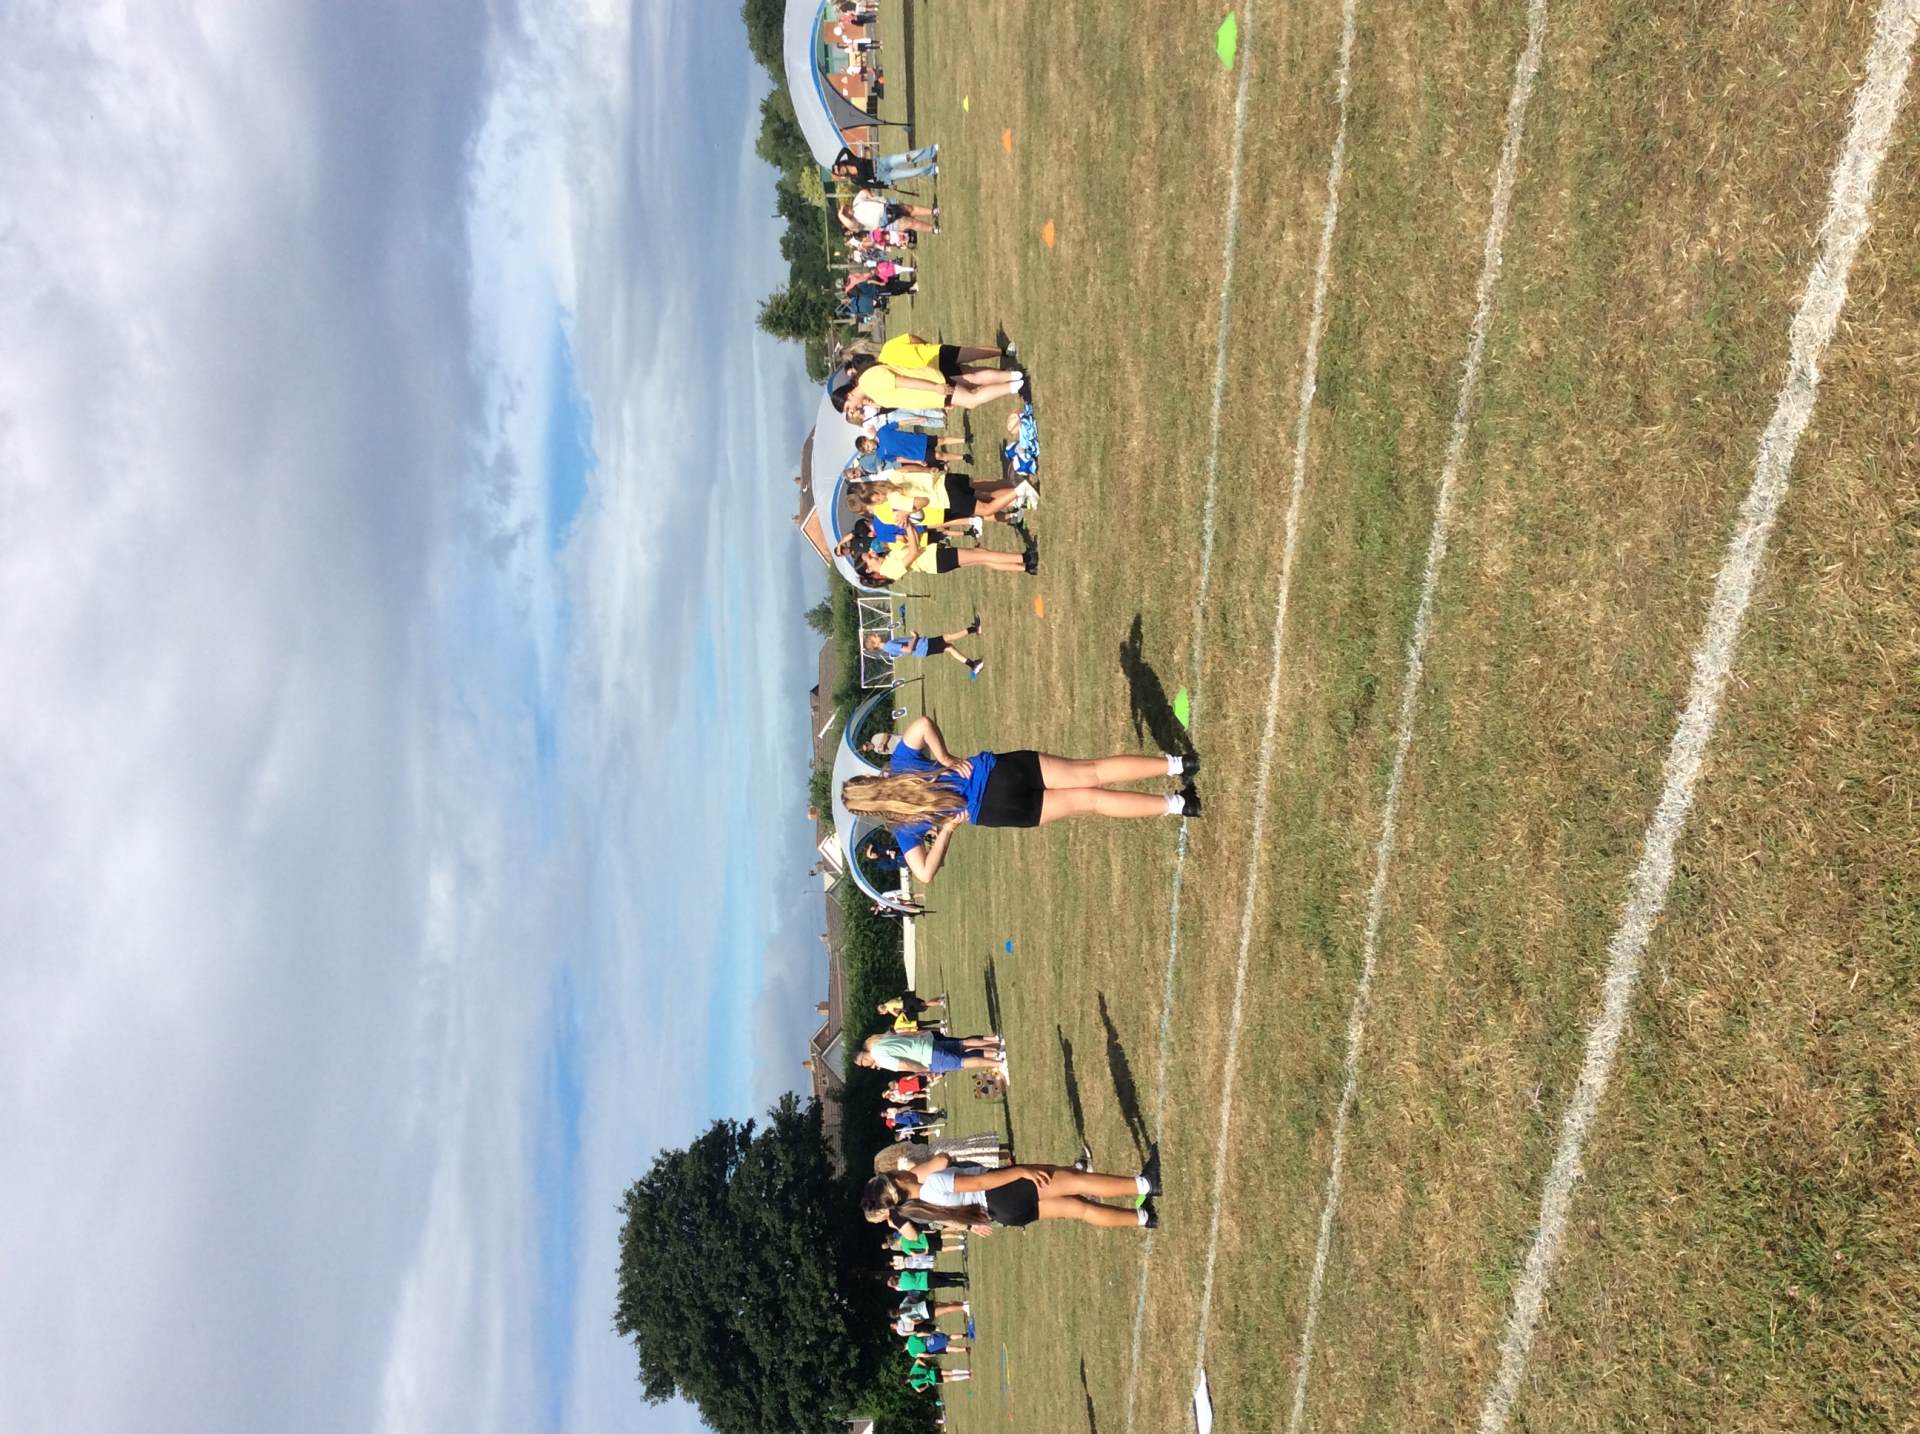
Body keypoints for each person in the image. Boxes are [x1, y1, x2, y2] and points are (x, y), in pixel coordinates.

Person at [846, 716, 1199, 885]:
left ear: (869, 810)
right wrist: (947, 758)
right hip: (996, 771)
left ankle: (1179, 805)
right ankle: (1178, 764)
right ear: (868, 780)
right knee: (1091, 772)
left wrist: (948, 830)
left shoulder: (902, 828)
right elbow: (922, 724)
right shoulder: (900, 764)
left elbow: (924, 874)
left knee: (1092, 801)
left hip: (994, 810)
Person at [861, 1150, 1162, 1233]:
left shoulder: (920, 1207)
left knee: (1081, 1209)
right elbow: (980, 1183)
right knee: (1077, 1182)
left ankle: (1143, 1218)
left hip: (1001, 1213)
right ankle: (1145, 1184)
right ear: (898, 1181)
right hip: (1001, 1193)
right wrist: (1020, 1172)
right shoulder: (932, 1185)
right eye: (894, 1174)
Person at [832, 335, 1024, 416]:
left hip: (933, 382)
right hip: (932, 387)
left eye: (848, 408)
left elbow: (903, 381)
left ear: (848, 395)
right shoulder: (870, 389)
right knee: (972, 378)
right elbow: (904, 398)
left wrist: (935, 388)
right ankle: (1013, 378)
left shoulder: (869, 381)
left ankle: (1015, 384)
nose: (853, 411)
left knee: (972, 396)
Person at [855, 1029, 1004, 1076]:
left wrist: (922, 1070)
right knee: (963, 1044)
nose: (866, 1066)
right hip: (926, 1043)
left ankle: (999, 1064)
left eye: (863, 1065)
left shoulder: (880, 1058)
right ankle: (998, 1045)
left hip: (927, 1058)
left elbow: (904, 1064)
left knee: (962, 1062)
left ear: (863, 1059)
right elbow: (905, 1035)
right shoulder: (879, 1041)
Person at [865, 625, 985, 678]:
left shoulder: (887, 646)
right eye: (874, 637)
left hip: (923, 649)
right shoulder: (889, 645)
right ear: (875, 644)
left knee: (949, 647)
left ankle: (973, 665)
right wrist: (915, 637)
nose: (876, 635)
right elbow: (908, 650)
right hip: (924, 646)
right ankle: (975, 629)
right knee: (948, 637)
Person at [832, 143, 940, 187]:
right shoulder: (855, 180)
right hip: (883, 176)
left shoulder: (851, 160)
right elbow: (872, 185)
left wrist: (836, 162)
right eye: (839, 172)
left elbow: (844, 149)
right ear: (841, 175)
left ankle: (931, 151)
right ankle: (932, 170)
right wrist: (888, 186)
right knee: (911, 173)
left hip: (881, 162)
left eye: (839, 168)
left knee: (907, 157)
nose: (841, 170)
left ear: (840, 165)